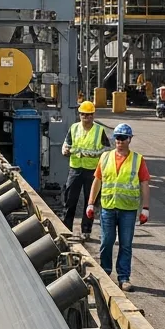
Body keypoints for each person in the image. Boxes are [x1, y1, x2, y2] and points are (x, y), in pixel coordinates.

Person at [85, 122, 150, 291]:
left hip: (127, 209)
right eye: (117, 138)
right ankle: (105, 272)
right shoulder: (105, 157)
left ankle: (124, 277)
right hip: (108, 207)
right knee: (106, 241)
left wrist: (145, 208)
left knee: (126, 244)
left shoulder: (138, 160)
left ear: (129, 139)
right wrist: (91, 203)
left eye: (123, 138)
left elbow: (144, 183)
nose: (119, 141)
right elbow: (97, 181)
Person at [61, 101, 109, 241]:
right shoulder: (74, 128)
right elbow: (67, 144)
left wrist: (96, 154)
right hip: (75, 169)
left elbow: (107, 149)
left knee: (91, 202)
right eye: (83, 115)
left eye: (89, 115)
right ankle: (66, 229)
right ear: (79, 115)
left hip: (92, 171)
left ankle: (86, 230)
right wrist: (65, 149)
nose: (86, 118)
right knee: (70, 200)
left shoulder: (99, 130)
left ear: (93, 116)